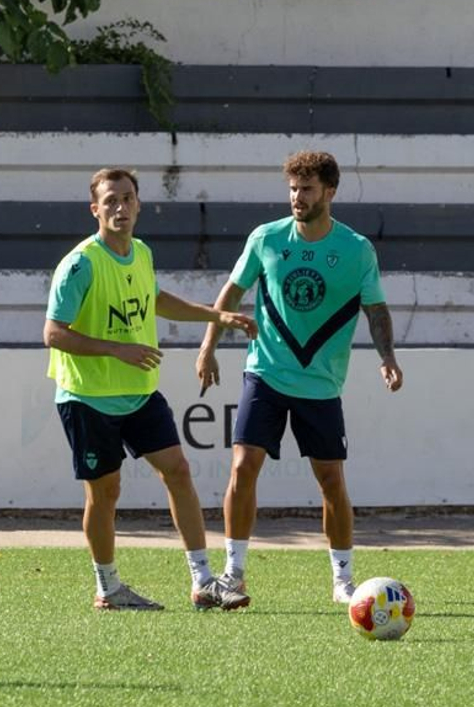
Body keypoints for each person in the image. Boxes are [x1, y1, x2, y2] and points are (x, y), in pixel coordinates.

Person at [195, 150, 404, 608]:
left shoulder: (356, 249)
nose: (297, 197)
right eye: (292, 188)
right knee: (242, 467)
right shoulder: (266, 239)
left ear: (329, 192)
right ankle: (233, 574)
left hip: (321, 385)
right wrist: (208, 345)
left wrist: (387, 357)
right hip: (265, 373)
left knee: (331, 481)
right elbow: (231, 293)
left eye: (307, 189)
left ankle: (344, 581)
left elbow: (376, 308)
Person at [45, 167, 257, 611]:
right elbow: (53, 333)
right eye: (110, 201)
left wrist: (216, 316)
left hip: (140, 393)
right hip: (88, 398)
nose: (120, 207)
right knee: (104, 493)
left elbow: (157, 300)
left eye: (127, 198)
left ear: (139, 204)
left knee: (178, 471)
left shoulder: (140, 252)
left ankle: (203, 581)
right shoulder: (81, 264)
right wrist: (115, 350)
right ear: (95, 209)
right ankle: (108, 588)